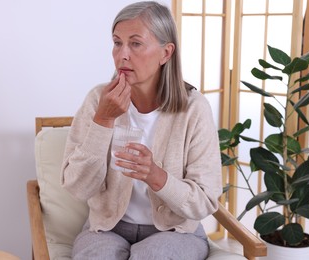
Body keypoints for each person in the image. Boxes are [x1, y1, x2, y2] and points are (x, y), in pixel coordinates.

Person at [60, 1, 222, 259]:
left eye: (135, 43)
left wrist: (157, 177)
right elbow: (77, 187)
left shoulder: (194, 109)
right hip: (107, 228)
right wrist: (103, 121)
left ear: (166, 53)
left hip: (176, 232)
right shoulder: (97, 100)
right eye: (117, 42)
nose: (122, 54)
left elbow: (206, 201)